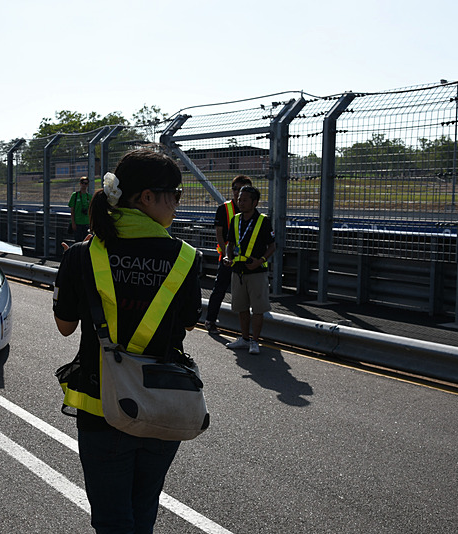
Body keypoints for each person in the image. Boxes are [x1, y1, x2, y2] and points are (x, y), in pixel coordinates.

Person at [53, 148, 201, 533]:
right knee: (143, 511)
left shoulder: (84, 254)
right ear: (146, 197)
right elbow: (185, 326)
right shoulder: (185, 257)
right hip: (162, 403)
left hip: (101, 408)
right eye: (177, 193)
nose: (178, 203)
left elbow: (65, 326)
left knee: (113, 520)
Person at [224, 185, 276, 354]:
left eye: (244, 200)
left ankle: (255, 341)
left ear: (254, 202)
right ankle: (244, 338)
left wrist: (260, 261)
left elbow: (272, 246)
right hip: (238, 271)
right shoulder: (236, 220)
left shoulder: (263, 221)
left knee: (258, 308)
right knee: (241, 307)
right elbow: (229, 244)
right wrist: (228, 257)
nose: (240, 202)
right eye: (239, 199)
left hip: (257, 272)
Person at [203, 174, 253, 333]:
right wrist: (226, 255)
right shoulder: (224, 209)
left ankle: (245, 329)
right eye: (235, 189)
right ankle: (210, 321)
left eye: (242, 189)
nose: (237, 192)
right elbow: (219, 234)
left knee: (247, 293)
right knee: (219, 289)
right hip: (228, 259)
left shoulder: (253, 211)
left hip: (246, 259)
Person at [68, 176, 92, 242]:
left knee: (86, 242)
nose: (84, 185)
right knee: (78, 241)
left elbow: (90, 211)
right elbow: (72, 210)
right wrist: (73, 223)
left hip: (86, 223)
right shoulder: (75, 195)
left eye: (86, 183)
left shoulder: (89, 196)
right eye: (82, 183)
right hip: (77, 223)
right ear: (80, 184)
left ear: (88, 185)